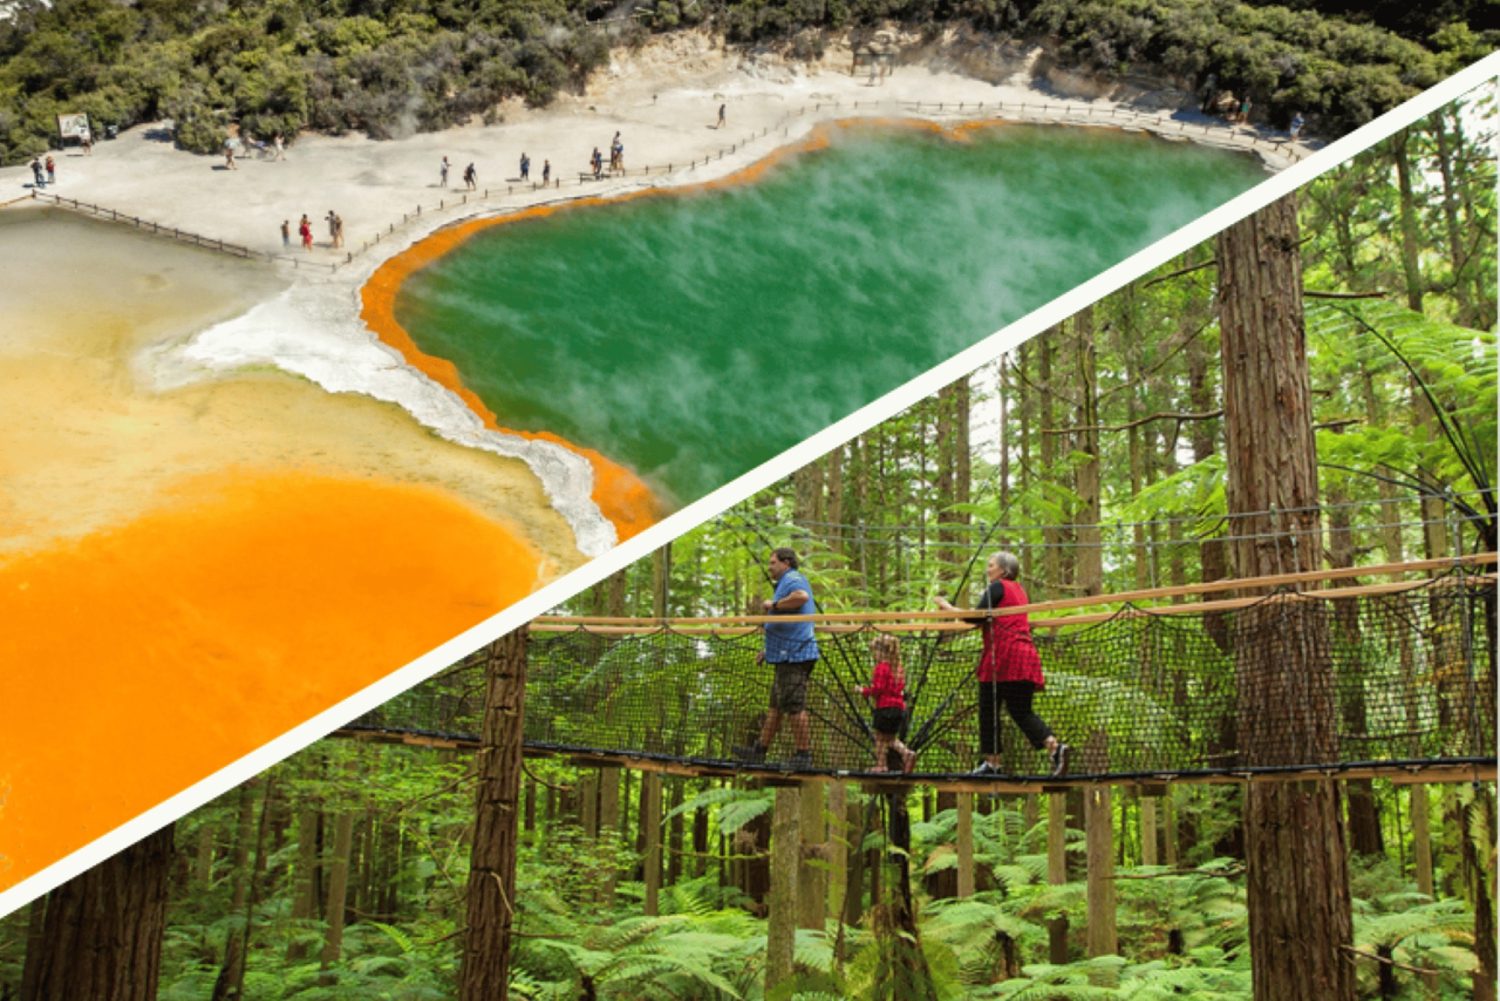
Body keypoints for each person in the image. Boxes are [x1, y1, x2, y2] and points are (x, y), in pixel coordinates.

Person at [935, 551, 1069, 777]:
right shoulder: (1020, 591)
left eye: (991, 565)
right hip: (1025, 654)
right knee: (1021, 710)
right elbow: (986, 619)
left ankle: (993, 763)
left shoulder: (998, 587)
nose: (988, 570)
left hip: (1003, 656)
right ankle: (1054, 748)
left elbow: (975, 617)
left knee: (988, 708)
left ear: (1004, 570)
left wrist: (947, 607)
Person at [734, 548, 819, 768]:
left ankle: (803, 755)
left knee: (793, 706)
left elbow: (802, 597)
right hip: (783, 655)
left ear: (786, 562)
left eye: (773, 563)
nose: (769, 567)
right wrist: (767, 651)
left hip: (795, 655)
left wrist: (775, 605)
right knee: (776, 707)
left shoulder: (792, 578)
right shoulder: (783, 583)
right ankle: (759, 750)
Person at [861, 634, 916, 773]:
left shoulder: (881, 668)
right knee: (889, 738)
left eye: (875, 652)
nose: (874, 656)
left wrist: (864, 691)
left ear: (882, 652)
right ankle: (907, 753)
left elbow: (878, 689)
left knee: (878, 737)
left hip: (885, 707)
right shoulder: (898, 668)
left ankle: (881, 765)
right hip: (899, 708)